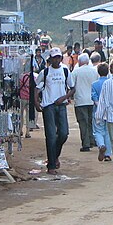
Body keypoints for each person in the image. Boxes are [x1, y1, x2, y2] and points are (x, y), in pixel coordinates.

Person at [35, 47, 74, 175]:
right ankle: (51, 165)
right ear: (50, 59)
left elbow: (72, 88)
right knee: (51, 136)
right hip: (49, 106)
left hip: (61, 105)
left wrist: (64, 98)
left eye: (58, 57)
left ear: (61, 58)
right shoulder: (45, 73)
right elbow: (36, 88)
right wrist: (36, 102)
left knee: (64, 133)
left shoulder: (65, 71)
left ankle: (54, 155)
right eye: (54, 58)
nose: (56, 60)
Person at [71, 53, 98, 152]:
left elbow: (71, 84)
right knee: (91, 121)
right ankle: (92, 140)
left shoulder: (76, 71)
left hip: (80, 100)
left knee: (83, 122)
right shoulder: (94, 71)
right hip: (92, 100)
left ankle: (86, 143)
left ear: (79, 61)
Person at [91, 62, 112, 162]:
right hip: (109, 111)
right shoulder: (111, 83)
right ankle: (108, 154)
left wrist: (99, 105)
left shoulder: (94, 84)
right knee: (108, 132)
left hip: (98, 110)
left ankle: (101, 145)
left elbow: (94, 97)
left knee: (98, 131)